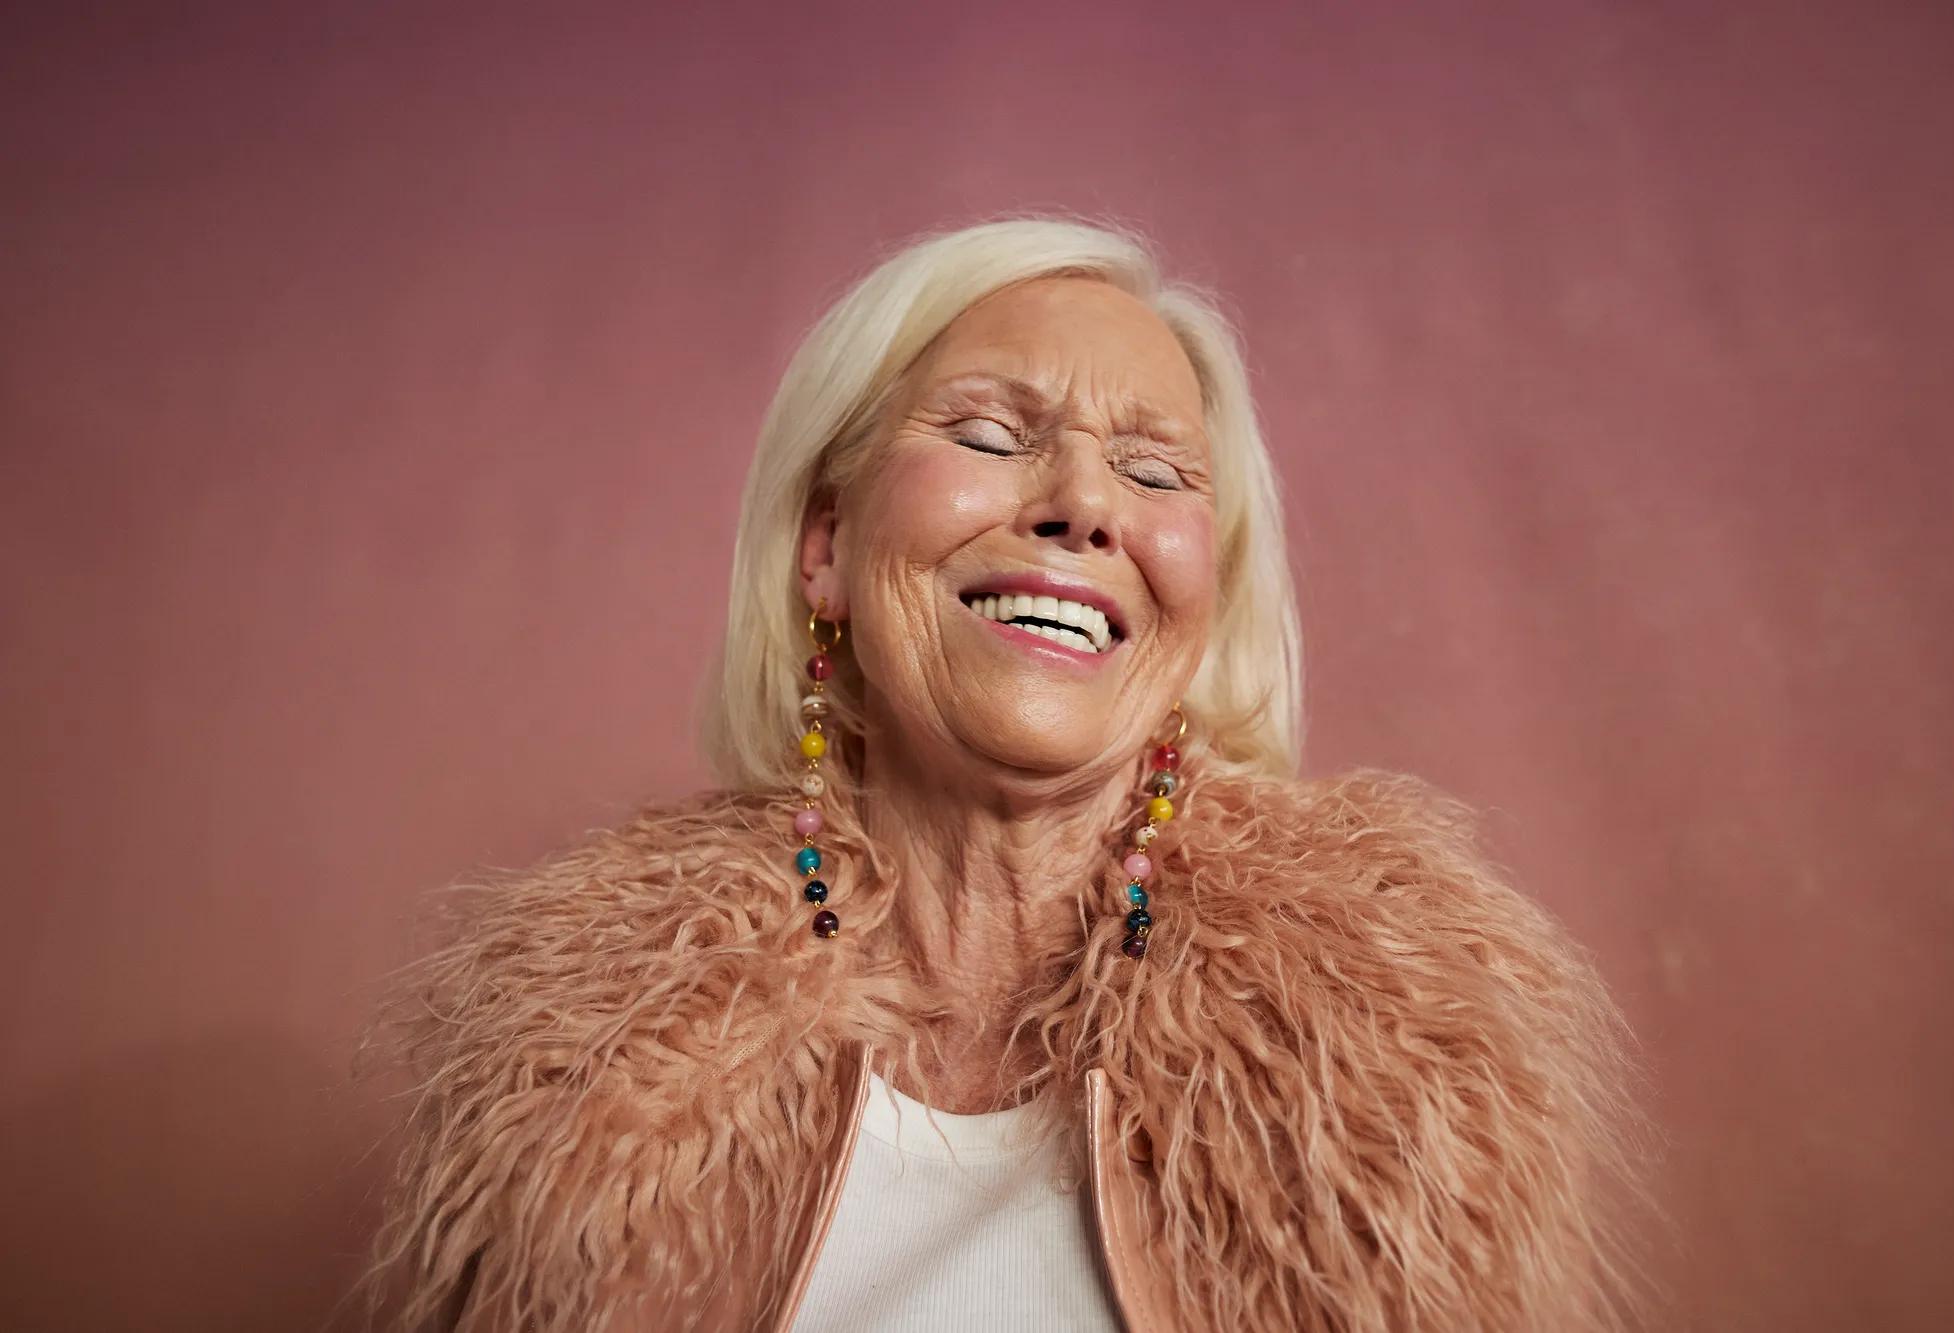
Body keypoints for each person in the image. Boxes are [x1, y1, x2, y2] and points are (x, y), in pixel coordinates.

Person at [361, 215, 1645, 1332]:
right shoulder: (573, 1080)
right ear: (824, 547)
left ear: (1204, 592)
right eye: (986, 432)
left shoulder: (1403, 1068)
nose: (1084, 502)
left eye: (1153, 471)